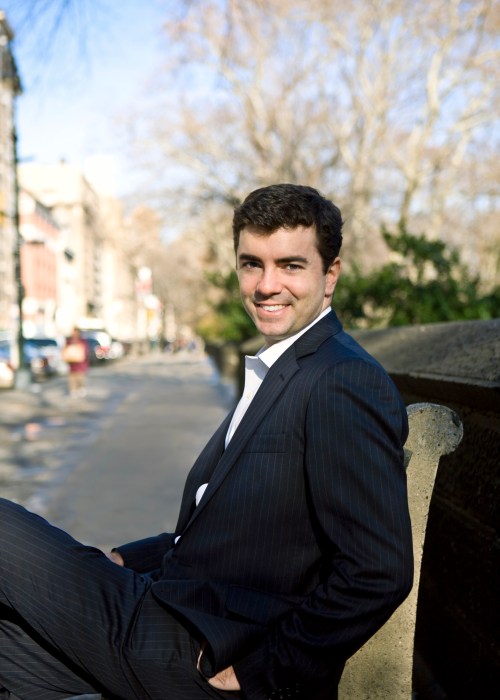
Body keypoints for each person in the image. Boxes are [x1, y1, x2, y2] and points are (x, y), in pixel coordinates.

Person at [0, 184, 413, 700]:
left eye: (290, 265)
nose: (266, 285)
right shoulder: (286, 368)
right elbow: (237, 530)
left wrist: (263, 671)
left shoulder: (341, 379)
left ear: (330, 275)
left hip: (197, 650)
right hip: (166, 608)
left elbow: (379, 570)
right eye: (252, 264)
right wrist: (129, 558)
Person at [63, 327, 90, 397]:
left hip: (81, 364)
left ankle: (81, 389)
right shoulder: (69, 341)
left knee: (80, 377)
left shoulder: (82, 341)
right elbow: (65, 350)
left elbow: (85, 351)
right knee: (72, 378)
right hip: (72, 364)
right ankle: (73, 390)